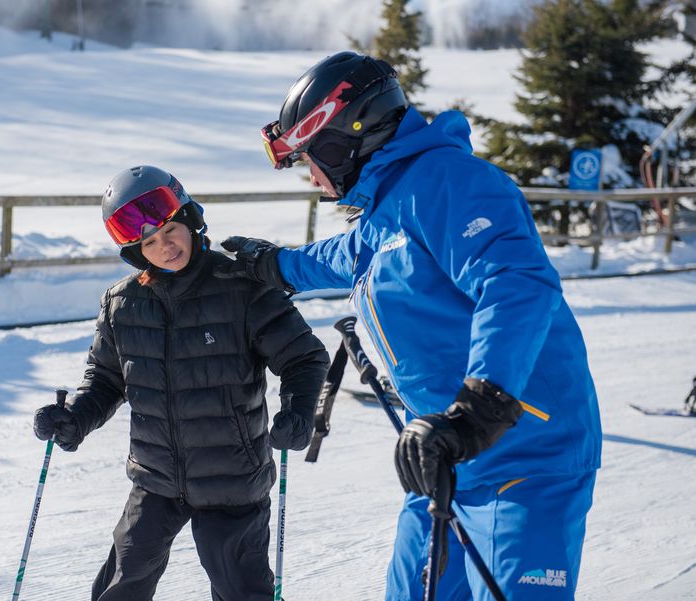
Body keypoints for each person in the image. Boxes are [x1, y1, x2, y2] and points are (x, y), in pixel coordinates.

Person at [216, 52, 602, 600]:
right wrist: (272, 265)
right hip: (442, 452)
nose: (313, 174)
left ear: (346, 137)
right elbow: (345, 257)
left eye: (312, 156)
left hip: (523, 454)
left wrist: (481, 407)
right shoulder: (385, 210)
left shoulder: (449, 182)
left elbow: (516, 282)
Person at [33, 165, 329, 601]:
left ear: (190, 221)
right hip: (156, 477)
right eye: (148, 242)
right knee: (122, 584)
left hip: (232, 476)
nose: (164, 246)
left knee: (242, 591)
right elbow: (106, 380)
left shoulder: (241, 287)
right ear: (136, 252)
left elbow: (304, 358)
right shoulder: (122, 304)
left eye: (170, 230)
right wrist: (74, 419)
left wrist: (299, 411)